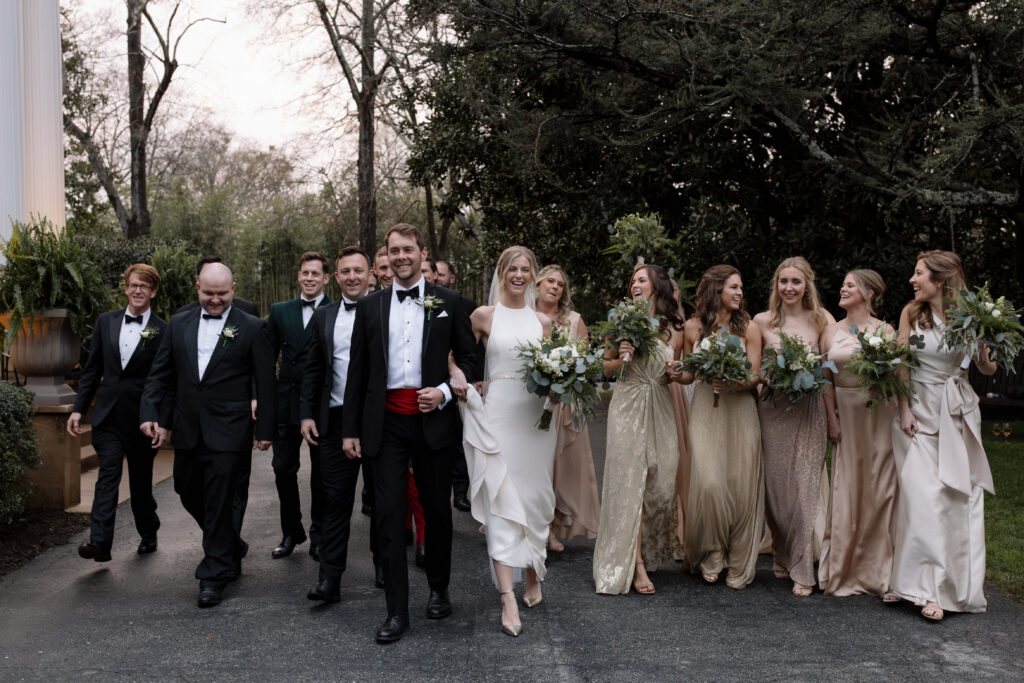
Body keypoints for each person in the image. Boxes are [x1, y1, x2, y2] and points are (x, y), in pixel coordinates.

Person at [342, 223, 476, 644]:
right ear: (386, 256)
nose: (400, 256)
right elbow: (357, 372)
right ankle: (396, 611)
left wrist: (442, 391)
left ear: (422, 253)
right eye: (393, 250)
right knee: (388, 514)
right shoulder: (370, 307)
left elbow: (474, 359)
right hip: (386, 424)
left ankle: (438, 587)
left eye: (408, 249)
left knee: (437, 511)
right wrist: (350, 430)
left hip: (433, 421)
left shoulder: (449, 302)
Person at [140, 263, 276, 608]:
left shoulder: (252, 327)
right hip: (188, 426)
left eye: (222, 294)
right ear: (196, 286)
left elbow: (266, 382)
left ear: (234, 287)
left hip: (230, 429)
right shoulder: (178, 324)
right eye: (208, 293)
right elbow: (161, 375)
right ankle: (229, 542)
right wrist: (151, 414)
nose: (215, 300)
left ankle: (213, 574)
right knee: (185, 489)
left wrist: (265, 429)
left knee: (218, 499)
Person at [890, 250, 996, 621]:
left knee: (955, 499)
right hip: (917, 414)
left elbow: (986, 367)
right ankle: (922, 588)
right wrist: (904, 411)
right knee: (922, 498)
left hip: (956, 414)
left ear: (940, 280)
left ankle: (950, 588)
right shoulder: (910, 313)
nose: (912, 280)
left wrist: (984, 341)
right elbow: (901, 366)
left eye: (918, 274)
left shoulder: (969, 317)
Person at [461, 245, 556, 637]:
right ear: (501, 272)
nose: (519, 275)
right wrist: (458, 377)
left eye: (525, 269)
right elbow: (457, 356)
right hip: (498, 413)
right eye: (512, 269)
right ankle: (507, 597)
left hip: (536, 418)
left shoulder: (543, 321)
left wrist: (563, 388)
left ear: (532, 275)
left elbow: (554, 370)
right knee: (501, 500)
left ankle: (534, 570)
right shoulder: (484, 317)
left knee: (534, 499)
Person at [68, 264, 171, 562]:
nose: (138, 290)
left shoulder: (164, 330)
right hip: (108, 416)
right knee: (108, 476)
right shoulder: (106, 322)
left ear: (153, 292)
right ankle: (99, 543)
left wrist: (163, 421)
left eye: (144, 286)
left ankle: (148, 529)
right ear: (125, 288)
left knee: (140, 485)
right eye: (133, 285)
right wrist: (78, 409)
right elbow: (92, 371)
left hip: (143, 420)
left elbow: (166, 381)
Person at [593, 265, 684, 596]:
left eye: (641, 280)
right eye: (631, 280)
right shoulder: (619, 321)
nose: (634, 284)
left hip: (660, 402)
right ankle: (635, 565)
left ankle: (646, 549)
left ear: (657, 286)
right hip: (628, 403)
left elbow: (685, 373)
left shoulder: (675, 326)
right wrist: (622, 358)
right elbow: (603, 368)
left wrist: (679, 372)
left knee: (662, 480)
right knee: (629, 481)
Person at [300, 247, 382, 601]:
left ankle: (384, 567)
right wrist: (306, 413)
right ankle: (329, 580)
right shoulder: (324, 316)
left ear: (371, 274)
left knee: (382, 500)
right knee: (335, 501)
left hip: (378, 419)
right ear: (336, 277)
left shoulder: (386, 310)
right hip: (333, 421)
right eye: (344, 271)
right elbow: (314, 368)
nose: (351, 277)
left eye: (358, 271)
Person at [675, 265, 763, 590]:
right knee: (710, 482)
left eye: (741, 288)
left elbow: (755, 375)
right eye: (734, 288)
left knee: (740, 485)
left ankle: (738, 559)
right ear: (716, 290)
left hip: (740, 411)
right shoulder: (693, 327)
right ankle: (712, 553)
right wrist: (676, 374)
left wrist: (735, 382)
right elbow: (688, 373)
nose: (739, 293)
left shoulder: (749, 328)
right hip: (704, 409)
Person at [752, 257, 834, 597]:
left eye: (795, 282)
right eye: (783, 281)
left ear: (807, 286)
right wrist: (766, 378)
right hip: (772, 410)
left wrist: (834, 419)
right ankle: (783, 553)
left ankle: (803, 569)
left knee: (804, 490)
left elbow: (829, 372)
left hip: (809, 411)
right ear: (776, 285)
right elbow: (754, 372)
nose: (789, 287)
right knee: (777, 493)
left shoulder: (822, 319)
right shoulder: (761, 321)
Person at [818, 270, 899, 599]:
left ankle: (879, 570)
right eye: (844, 284)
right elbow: (826, 376)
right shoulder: (830, 330)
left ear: (868, 293)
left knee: (879, 487)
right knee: (847, 485)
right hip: (846, 416)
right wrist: (831, 419)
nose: (843, 288)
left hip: (878, 413)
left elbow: (894, 374)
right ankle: (844, 567)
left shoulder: (886, 331)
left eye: (850, 285)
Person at [266, 252, 332, 560]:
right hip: (286, 400)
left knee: (321, 473)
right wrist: (260, 397)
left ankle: (319, 533)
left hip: (320, 404)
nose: (309, 278)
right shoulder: (280, 311)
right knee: (282, 469)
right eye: (305, 273)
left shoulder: (336, 309)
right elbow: (265, 357)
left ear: (326, 279)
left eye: (315, 274)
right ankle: (291, 531)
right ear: (298, 276)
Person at [535, 264, 600, 550]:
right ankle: (536, 525)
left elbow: (588, 363)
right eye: (550, 281)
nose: (555, 287)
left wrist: (570, 377)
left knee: (560, 468)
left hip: (565, 404)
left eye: (560, 284)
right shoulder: (524, 317)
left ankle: (552, 528)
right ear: (537, 284)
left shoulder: (574, 320)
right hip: (534, 402)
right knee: (537, 465)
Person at [436, 258, 473, 513]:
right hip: (432, 381)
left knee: (460, 440)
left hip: (459, 383)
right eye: (434, 273)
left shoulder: (465, 305)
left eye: (441, 274)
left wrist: (472, 377)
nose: (437, 278)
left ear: (452, 277)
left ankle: (460, 492)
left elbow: (473, 348)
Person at [667, 278, 691, 558]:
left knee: (677, 456)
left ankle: (680, 529)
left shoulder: (681, 326)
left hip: (674, 391)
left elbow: (687, 364)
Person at [176, 256, 259, 317]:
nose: (215, 300)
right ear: (198, 280)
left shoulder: (248, 310)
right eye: (209, 273)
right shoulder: (182, 314)